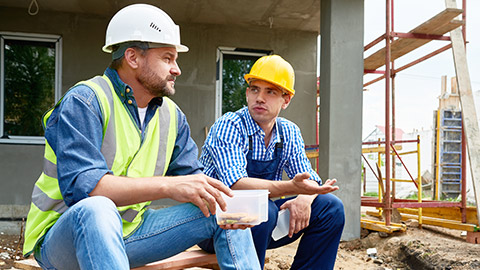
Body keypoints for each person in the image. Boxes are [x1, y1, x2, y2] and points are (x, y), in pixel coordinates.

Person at [22, 4, 261, 270]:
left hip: (132, 235)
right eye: (167, 58)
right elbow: (88, 191)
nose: (177, 69)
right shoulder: (85, 101)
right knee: (97, 208)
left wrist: (239, 204)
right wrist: (169, 186)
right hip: (64, 241)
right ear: (133, 58)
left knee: (226, 209)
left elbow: (196, 183)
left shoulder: (172, 115)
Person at [199, 55, 345, 269]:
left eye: (271, 92)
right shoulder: (229, 126)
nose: (260, 98)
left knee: (331, 208)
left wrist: (305, 198)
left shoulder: (289, 131)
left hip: (261, 224)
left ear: (286, 100)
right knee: (262, 210)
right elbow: (236, 184)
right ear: (247, 93)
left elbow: (311, 179)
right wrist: (291, 188)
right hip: (215, 223)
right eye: (255, 89)